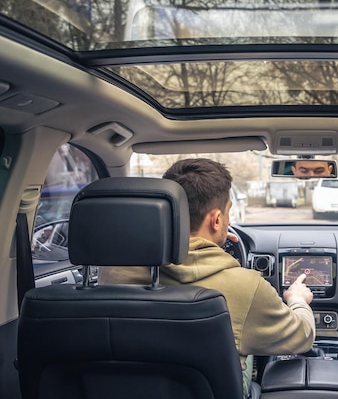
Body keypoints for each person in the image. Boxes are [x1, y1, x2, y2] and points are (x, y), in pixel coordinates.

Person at [98, 158, 315, 397]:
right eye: (228, 213)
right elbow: (301, 336)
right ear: (217, 219)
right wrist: (298, 300)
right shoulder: (247, 287)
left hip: (125, 389)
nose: (229, 221)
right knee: (245, 338)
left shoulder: (112, 269)